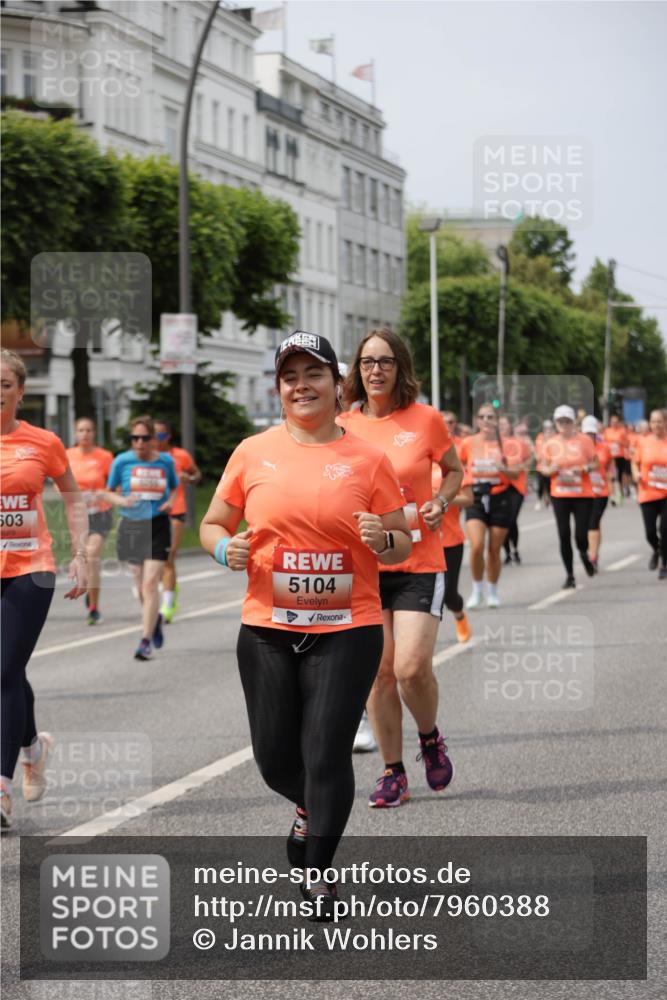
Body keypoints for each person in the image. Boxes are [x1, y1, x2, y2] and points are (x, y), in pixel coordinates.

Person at [201, 332, 410, 914]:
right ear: (279, 388)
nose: (301, 385)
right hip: (267, 626)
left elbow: (399, 543)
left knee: (325, 755)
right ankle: (308, 807)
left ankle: (318, 872)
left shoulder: (368, 459)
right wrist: (224, 551)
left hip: (348, 626)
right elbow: (213, 524)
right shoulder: (252, 451)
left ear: (335, 385)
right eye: (290, 376)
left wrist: (383, 538)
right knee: (274, 759)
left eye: (313, 374)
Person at [339, 328, 463, 809]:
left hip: (418, 561)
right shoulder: (343, 425)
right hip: (365, 567)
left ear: (400, 367)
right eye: (367, 362)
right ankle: (393, 773)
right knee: (379, 674)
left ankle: (429, 737)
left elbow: (452, 470)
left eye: (385, 361)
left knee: (411, 668)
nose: (375, 370)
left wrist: (440, 501)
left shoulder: (426, 420)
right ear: (357, 369)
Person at [1, 349, 88, 831]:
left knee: (3, 671)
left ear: (20, 391)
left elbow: (72, 494)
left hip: (31, 568)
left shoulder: (43, 442)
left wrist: (83, 554)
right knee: (7, 673)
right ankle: (34, 748)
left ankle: (2, 786)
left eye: (4, 384)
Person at [107, 416, 179, 661]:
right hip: (130, 526)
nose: (139, 442)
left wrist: (169, 503)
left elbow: (176, 488)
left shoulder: (165, 461)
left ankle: (144, 640)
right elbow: (108, 492)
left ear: (153, 439)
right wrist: (122, 500)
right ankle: (154, 618)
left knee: (150, 584)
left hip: (157, 525)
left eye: (144, 438)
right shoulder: (122, 461)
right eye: (134, 438)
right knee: (139, 587)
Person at [459, 404, 521, 609]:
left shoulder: (507, 444)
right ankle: (477, 590)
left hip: (500, 495)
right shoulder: (468, 443)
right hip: (476, 496)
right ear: (477, 420)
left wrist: (502, 467)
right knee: (476, 546)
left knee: (494, 549)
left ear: (497, 420)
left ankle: (492, 590)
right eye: (483, 417)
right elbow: (455, 467)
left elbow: (517, 472)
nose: (487, 420)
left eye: (491, 417)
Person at [538, 404, 598, 588]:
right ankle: (570, 575)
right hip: (560, 494)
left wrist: (586, 468)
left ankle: (584, 554)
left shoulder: (585, 440)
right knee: (564, 534)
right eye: (560, 421)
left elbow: (595, 461)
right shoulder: (550, 442)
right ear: (556, 423)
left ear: (573, 422)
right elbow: (542, 466)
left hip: (582, 494)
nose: (564, 424)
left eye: (567, 420)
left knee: (581, 536)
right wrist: (550, 470)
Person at [66, 417, 114, 624]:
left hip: (100, 513)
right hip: (77, 516)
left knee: (93, 556)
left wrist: (101, 493)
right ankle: (89, 593)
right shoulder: (67, 455)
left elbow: (113, 485)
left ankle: (94, 607)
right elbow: (60, 483)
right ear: (75, 434)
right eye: (81, 430)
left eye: (88, 430)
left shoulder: (104, 456)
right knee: (82, 558)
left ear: (94, 433)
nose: (85, 434)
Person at [154, 420, 202, 624]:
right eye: (154, 436)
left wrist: (188, 479)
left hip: (176, 511)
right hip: (152, 513)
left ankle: (167, 605)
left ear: (169, 437)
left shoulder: (180, 455)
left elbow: (197, 474)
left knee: (168, 557)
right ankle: (170, 586)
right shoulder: (147, 458)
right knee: (154, 562)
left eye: (162, 436)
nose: (157, 440)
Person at [631, 409, 667, 579]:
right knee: (650, 533)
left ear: (665, 423)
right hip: (648, 492)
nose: (656, 425)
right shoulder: (642, 442)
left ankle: (664, 565)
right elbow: (634, 462)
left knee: (665, 530)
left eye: (659, 421)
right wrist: (636, 473)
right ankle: (656, 550)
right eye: (653, 421)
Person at [499, 416, 533, 566]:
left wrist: (522, 466)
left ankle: (515, 549)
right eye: (500, 425)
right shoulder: (493, 443)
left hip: (517, 485)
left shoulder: (520, 443)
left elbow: (529, 459)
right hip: (500, 485)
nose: (502, 427)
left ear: (510, 427)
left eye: (505, 424)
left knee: (512, 519)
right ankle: (507, 552)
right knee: (503, 521)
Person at [582, 415, 613, 570]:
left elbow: (610, 468)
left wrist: (613, 484)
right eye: (586, 433)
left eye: (592, 433)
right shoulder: (576, 449)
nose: (589, 436)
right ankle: (593, 552)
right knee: (589, 525)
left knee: (593, 523)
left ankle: (593, 556)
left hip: (601, 492)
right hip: (583, 493)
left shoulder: (604, 448)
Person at [604, 414, 630, 501]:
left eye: (616, 422)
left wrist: (620, 442)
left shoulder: (622, 431)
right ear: (610, 422)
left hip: (620, 456)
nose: (614, 423)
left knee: (621, 475)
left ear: (618, 423)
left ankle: (622, 492)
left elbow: (627, 444)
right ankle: (613, 494)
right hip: (610, 457)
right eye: (612, 422)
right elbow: (603, 443)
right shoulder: (607, 431)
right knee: (611, 475)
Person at [534, 419, 555, 510]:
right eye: (546, 428)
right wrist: (537, 457)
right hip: (540, 466)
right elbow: (537, 449)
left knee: (549, 485)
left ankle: (549, 502)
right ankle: (539, 500)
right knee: (540, 484)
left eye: (549, 428)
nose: (548, 429)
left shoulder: (554, 437)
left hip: (550, 466)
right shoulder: (540, 436)